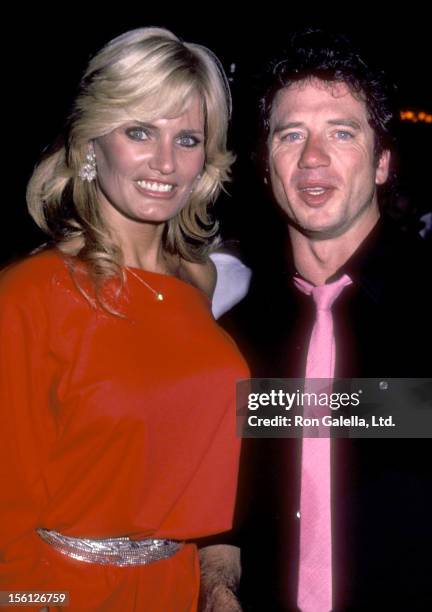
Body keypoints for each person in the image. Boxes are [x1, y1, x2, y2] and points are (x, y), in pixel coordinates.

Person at [218, 30, 432, 610]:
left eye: (341, 133)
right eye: (292, 135)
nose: (313, 158)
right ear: (267, 167)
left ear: (383, 163)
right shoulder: (237, 338)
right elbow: (233, 510)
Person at [0, 27, 248, 611]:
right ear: (92, 142)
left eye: (187, 139)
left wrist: (214, 577)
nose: (165, 161)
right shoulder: (29, 295)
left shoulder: (199, 279)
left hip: (178, 586)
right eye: (140, 131)